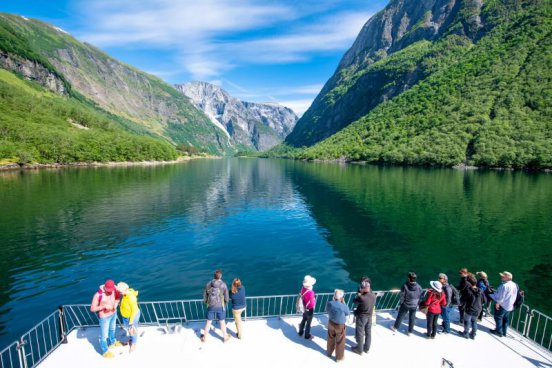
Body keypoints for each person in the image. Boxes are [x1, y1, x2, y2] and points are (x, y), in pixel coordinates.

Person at [90, 279, 121, 358]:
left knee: (112, 329)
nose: (110, 292)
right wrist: (104, 306)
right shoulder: (98, 295)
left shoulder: (115, 290)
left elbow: (117, 298)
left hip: (113, 313)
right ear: (105, 288)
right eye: (109, 290)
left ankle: (112, 342)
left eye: (112, 290)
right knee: (104, 335)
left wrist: (116, 304)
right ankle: (105, 351)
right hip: (104, 317)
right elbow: (92, 309)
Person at [200, 269, 230, 343]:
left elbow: (204, 295)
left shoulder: (208, 284)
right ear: (221, 276)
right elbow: (226, 298)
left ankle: (205, 338)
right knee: (222, 322)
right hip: (220, 306)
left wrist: (206, 302)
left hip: (210, 306)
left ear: (214, 276)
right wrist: (225, 303)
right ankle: (225, 337)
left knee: (208, 323)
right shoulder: (223, 284)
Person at [489, 271, 518, 337]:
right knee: (505, 319)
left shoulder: (504, 286)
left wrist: (497, 304)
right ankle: (504, 332)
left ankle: (498, 331)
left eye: (503, 276)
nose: (501, 277)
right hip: (509, 305)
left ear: (507, 278)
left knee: (498, 317)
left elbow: (501, 297)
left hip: (503, 305)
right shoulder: (514, 284)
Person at [352, 278, 376, 355]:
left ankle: (359, 350)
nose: (360, 289)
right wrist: (362, 293)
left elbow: (354, 301)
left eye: (362, 288)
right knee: (368, 333)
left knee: (360, 333)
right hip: (369, 316)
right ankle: (367, 348)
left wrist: (359, 295)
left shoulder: (362, 298)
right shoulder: (373, 295)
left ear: (364, 289)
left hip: (362, 317)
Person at [326, 289, 350, 362]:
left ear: (334, 296)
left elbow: (327, 310)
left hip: (331, 323)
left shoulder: (329, 303)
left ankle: (329, 353)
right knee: (340, 341)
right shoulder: (343, 306)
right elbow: (347, 313)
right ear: (342, 298)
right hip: (340, 325)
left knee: (330, 338)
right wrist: (344, 303)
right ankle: (339, 358)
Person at [117, 282, 140, 352]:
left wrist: (131, 322)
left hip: (132, 317)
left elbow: (134, 311)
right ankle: (131, 338)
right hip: (126, 316)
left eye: (120, 291)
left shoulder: (131, 298)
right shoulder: (124, 294)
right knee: (129, 330)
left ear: (125, 290)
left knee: (133, 330)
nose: (119, 293)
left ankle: (133, 344)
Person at [298, 275, 317, 340]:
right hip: (309, 309)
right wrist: (314, 300)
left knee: (303, 319)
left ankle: (300, 332)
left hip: (304, 307)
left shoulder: (303, 288)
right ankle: (307, 336)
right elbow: (312, 304)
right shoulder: (311, 293)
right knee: (308, 323)